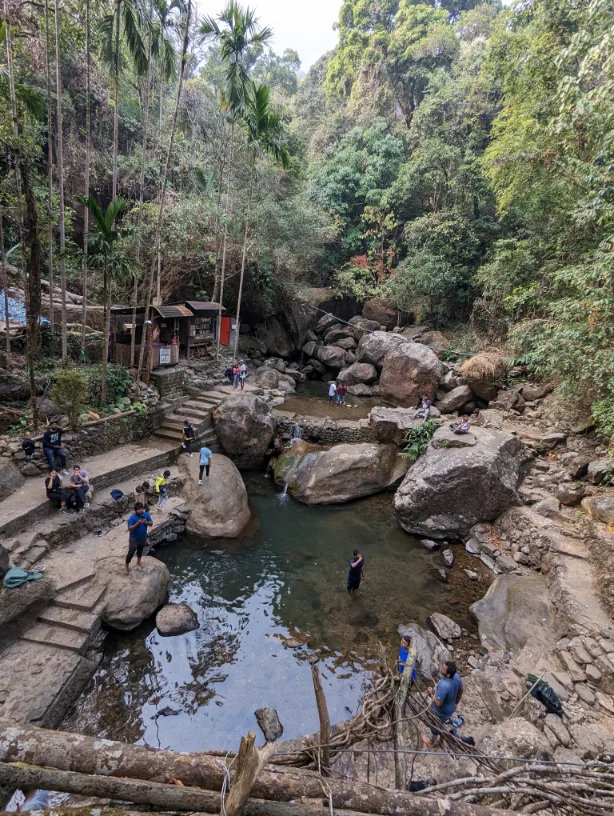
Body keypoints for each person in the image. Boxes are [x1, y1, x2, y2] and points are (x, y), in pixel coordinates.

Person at [422, 661, 463, 748]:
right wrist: (456, 702)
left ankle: (431, 741)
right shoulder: (456, 677)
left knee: (435, 726)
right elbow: (461, 690)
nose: (441, 668)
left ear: (448, 675)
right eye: (442, 666)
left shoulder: (444, 686)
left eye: (443, 668)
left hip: (440, 711)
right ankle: (441, 740)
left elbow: (438, 703)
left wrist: (431, 693)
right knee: (442, 724)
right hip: (450, 708)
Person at [124, 501, 153, 574]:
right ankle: (126, 566)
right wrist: (138, 523)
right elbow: (130, 528)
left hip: (143, 538)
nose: (140, 510)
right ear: (135, 510)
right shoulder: (132, 518)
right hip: (134, 539)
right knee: (131, 553)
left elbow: (151, 523)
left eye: (141, 509)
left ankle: (138, 562)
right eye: (139, 509)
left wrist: (145, 522)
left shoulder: (146, 515)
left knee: (140, 551)